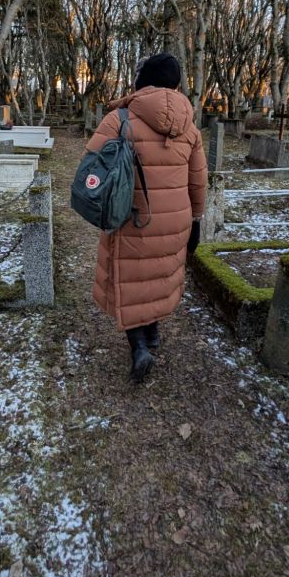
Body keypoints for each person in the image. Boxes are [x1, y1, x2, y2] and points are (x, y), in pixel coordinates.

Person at [85, 52, 208, 382]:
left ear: (141, 81)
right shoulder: (190, 127)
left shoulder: (120, 119)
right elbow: (198, 181)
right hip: (175, 220)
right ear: (176, 83)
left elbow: (91, 163)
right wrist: (197, 220)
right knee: (157, 277)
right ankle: (152, 334)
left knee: (131, 278)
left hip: (132, 216)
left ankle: (140, 347)